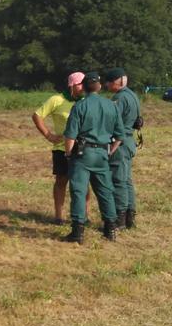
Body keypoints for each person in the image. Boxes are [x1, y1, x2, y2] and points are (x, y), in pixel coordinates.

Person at [61, 72, 125, 243]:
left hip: (82, 155)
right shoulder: (112, 106)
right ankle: (110, 229)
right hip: (102, 154)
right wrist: (109, 151)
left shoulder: (80, 106)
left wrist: (68, 153)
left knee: (79, 192)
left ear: (83, 87)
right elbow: (120, 136)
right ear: (99, 86)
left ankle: (77, 232)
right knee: (105, 191)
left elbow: (70, 135)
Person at [32, 71, 86, 223]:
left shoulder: (87, 100)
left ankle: (84, 216)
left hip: (84, 148)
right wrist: (49, 135)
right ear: (72, 86)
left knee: (84, 183)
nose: (83, 87)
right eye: (80, 84)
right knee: (61, 182)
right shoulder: (56, 100)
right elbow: (37, 115)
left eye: (85, 83)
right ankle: (59, 216)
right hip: (62, 149)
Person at [104, 67, 140, 229]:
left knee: (118, 181)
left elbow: (111, 121)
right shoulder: (132, 95)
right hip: (129, 141)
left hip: (120, 144)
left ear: (115, 82)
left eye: (108, 82)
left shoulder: (119, 98)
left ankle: (120, 219)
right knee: (126, 180)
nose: (106, 85)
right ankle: (130, 217)